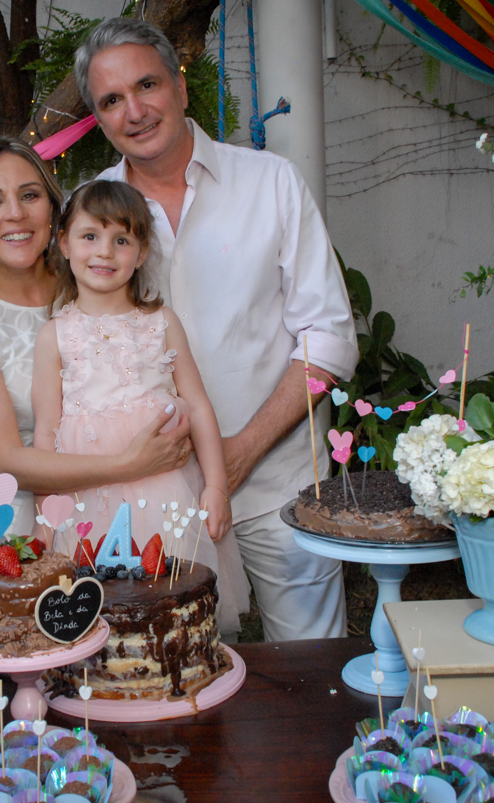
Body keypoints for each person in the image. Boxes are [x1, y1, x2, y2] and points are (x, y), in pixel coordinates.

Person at [74, 18, 360, 640]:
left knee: (311, 662)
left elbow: (329, 338)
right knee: (177, 669)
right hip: (152, 500)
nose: (135, 111)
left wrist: (241, 453)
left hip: (280, 479)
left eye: (147, 85)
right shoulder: (90, 215)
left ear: (180, 85)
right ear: (98, 119)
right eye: (112, 100)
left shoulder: (271, 182)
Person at [0, 136, 195, 539]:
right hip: (34, 523)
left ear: (53, 208)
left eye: (29, 195)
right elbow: (5, 460)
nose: (15, 213)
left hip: (148, 503)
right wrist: (129, 464)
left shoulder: (96, 278)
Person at [31, 180, 251, 633]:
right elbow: (46, 432)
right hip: (84, 497)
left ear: (142, 251)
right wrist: (45, 518)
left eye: (121, 240)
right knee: (98, 613)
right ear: (64, 244)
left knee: (169, 607)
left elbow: (199, 407)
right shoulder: (54, 335)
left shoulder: (161, 322)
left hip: (165, 492)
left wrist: (216, 486)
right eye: (90, 236)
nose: (104, 252)